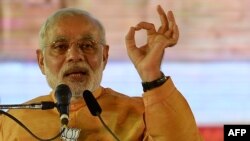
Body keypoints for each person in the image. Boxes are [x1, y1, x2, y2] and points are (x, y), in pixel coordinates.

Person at [0, 5, 203, 141]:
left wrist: (151, 73)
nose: (74, 55)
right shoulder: (14, 122)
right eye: (60, 46)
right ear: (41, 61)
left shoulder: (140, 115)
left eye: (87, 45)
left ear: (104, 56)